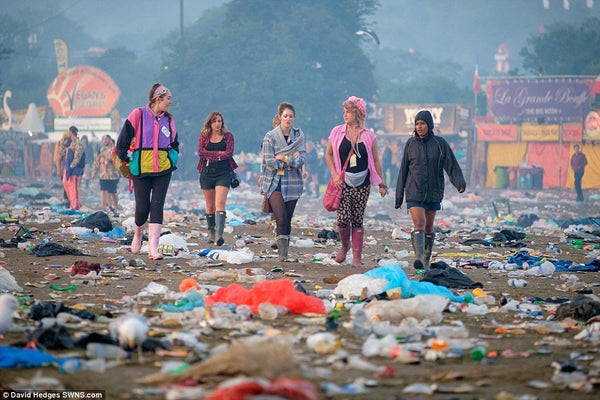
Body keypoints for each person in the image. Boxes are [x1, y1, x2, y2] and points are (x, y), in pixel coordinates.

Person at [395, 110, 466, 270]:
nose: (419, 127)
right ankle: (419, 257)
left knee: (428, 227)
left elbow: (451, 164)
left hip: (433, 191)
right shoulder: (410, 144)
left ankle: (426, 260)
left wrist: (459, 183)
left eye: (422, 123)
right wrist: (399, 196)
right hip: (414, 190)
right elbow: (403, 170)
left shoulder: (440, 144)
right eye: (417, 124)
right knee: (419, 223)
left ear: (429, 125)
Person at [116, 83, 179, 260]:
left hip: (164, 169)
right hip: (141, 168)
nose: (170, 102)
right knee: (142, 208)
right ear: (158, 99)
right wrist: (127, 158)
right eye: (168, 99)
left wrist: (173, 157)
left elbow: (175, 142)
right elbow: (123, 140)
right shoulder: (138, 114)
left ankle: (153, 249)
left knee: (157, 205)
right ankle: (138, 234)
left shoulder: (169, 120)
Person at [325, 96, 387, 268]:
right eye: (344, 112)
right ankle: (344, 247)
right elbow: (328, 155)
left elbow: (375, 161)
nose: (345, 115)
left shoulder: (369, 136)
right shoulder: (337, 132)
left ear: (358, 113)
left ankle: (357, 256)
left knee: (357, 219)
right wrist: (334, 175)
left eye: (348, 112)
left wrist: (381, 184)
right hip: (342, 183)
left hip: (362, 183)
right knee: (343, 218)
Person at [259, 102, 306, 261]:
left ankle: (285, 251)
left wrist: (284, 157)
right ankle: (281, 255)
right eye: (285, 116)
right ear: (280, 117)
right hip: (274, 182)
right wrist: (290, 160)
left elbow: (301, 160)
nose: (288, 119)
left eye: (291, 116)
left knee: (288, 219)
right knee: (281, 218)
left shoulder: (298, 136)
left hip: (293, 183)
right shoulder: (270, 136)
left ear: (294, 118)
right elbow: (270, 162)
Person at [197, 111, 238, 246]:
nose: (217, 124)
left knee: (220, 203)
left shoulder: (228, 136)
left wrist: (214, 155)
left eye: (219, 121)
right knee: (210, 206)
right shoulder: (204, 136)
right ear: (210, 123)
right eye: (215, 121)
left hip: (224, 172)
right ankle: (212, 232)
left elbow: (228, 153)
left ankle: (220, 235)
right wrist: (218, 154)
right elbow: (201, 152)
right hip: (207, 172)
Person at [91, 135, 121, 213]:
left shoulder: (114, 150)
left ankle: (115, 206)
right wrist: (94, 172)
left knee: (113, 192)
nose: (105, 141)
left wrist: (110, 159)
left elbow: (119, 161)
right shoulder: (100, 150)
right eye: (103, 139)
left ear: (110, 140)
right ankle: (104, 208)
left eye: (106, 139)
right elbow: (96, 162)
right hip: (103, 174)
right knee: (103, 190)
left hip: (112, 175)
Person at [62, 126, 85, 210]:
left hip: (75, 170)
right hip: (69, 169)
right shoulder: (71, 143)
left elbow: (77, 157)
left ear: (71, 132)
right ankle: (74, 203)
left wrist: (71, 167)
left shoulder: (78, 143)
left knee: (73, 188)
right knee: (66, 183)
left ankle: (75, 205)